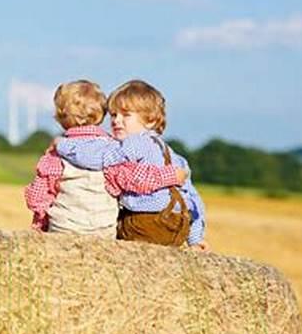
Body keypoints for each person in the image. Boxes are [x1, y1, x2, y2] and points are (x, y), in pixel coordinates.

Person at [56, 79, 208, 250]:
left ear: (150, 120)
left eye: (126, 115)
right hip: (176, 225)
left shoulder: (134, 143)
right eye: (113, 115)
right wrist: (196, 238)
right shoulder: (174, 156)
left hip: (144, 223)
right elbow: (192, 199)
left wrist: (62, 145)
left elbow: (99, 158)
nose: (116, 121)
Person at [24, 79, 187, 237]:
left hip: (63, 228)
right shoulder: (114, 148)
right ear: (101, 114)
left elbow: (37, 196)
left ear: (60, 117)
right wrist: (170, 175)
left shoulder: (55, 154)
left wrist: (40, 224)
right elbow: (135, 179)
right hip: (103, 231)